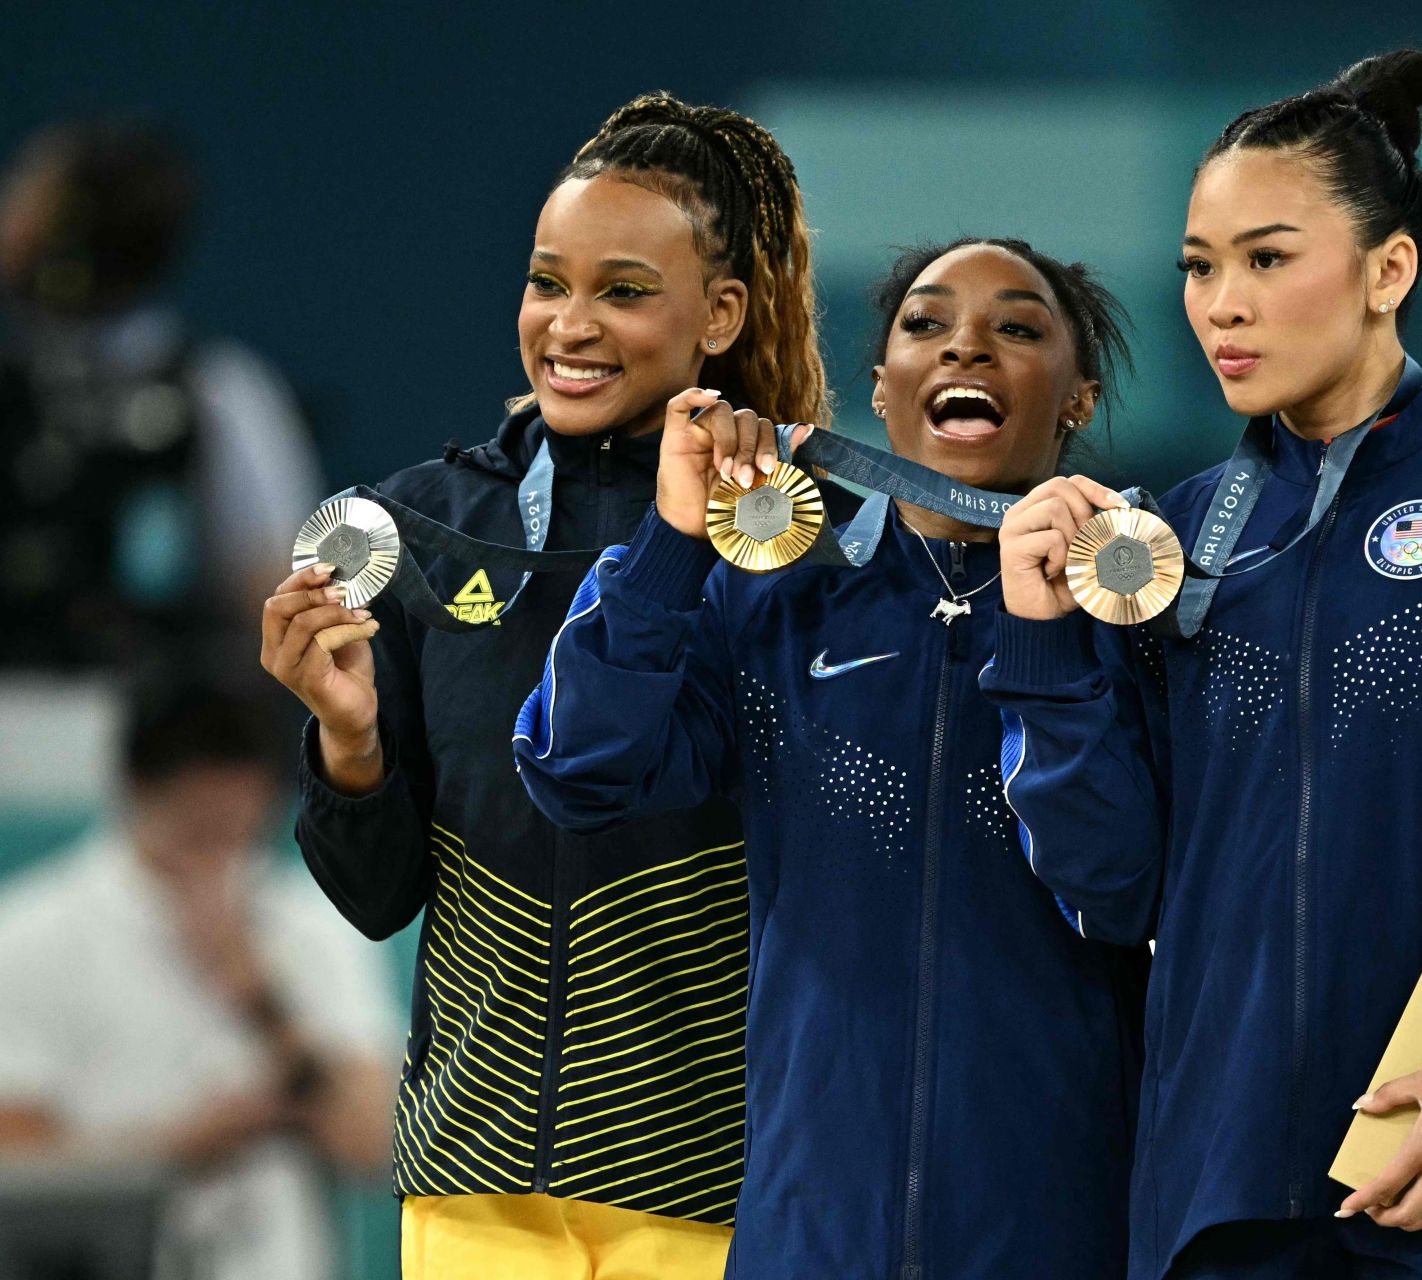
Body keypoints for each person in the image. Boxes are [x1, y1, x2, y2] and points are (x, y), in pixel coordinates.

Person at [981, 50, 1422, 1280]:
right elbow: (1115, 885)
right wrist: (1043, 640)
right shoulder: (1171, 539)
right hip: (1222, 1211)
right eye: (1200, 268)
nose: (1221, 303)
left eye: (1268, 259)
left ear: (1391, 269)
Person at [261, 93, 844, 1279]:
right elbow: (378, 900)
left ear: (720, 313)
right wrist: (350, 743)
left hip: (711, 1180)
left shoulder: (788, 537)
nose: (570, 325)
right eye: (547, 282)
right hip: (473, 1182)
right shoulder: (428, 519)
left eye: (624, 290)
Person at [514, 239, 1149, 1278]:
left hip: (1056, 1230)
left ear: (1077, 398)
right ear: (882, 388)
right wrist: (676, 538)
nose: (967, 349)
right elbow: (576, 768)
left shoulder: (1130, 614)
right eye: (926, 325)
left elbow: (1118, 886)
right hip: (810, 1229)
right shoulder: (774, 600)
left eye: (1018, 328)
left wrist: (1041, 635)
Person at [0, 676, 398, 1280]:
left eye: (239, 831)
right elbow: (15, 1158)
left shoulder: (312, 927)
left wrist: (259, 1001)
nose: (222, 859)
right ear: (135, 789)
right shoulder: (30, 935)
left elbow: (374, 1146)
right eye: (196, 831)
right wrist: (173, 1147)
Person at [0, 119, 320, 669]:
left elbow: (284, 602)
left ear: (73, 234)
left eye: (21, 199)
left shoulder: (217, 395)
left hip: (150, 737)